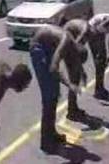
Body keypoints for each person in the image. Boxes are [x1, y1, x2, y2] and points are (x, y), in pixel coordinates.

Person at [30, 25, 89, 154]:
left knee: (55, 94)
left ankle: (52, 133)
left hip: (48, 46)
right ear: (72, 52)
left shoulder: (73, 45)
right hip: (39, 49)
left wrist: (82, 73)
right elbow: (53, 68)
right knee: (49, 96)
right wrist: (70, 84)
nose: (71, 63)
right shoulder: (65, 43)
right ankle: (46, 143)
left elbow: (76, 60)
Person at [63, 14, 109, 101]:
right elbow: (76, 47)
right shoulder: (86, 32)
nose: (108, 34)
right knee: (74, 76)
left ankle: (99, 89)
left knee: (101, 61)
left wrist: (108, 55)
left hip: (89, 29)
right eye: (107, 32)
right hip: (70, 33)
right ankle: (72, 108)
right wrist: (80, 67)